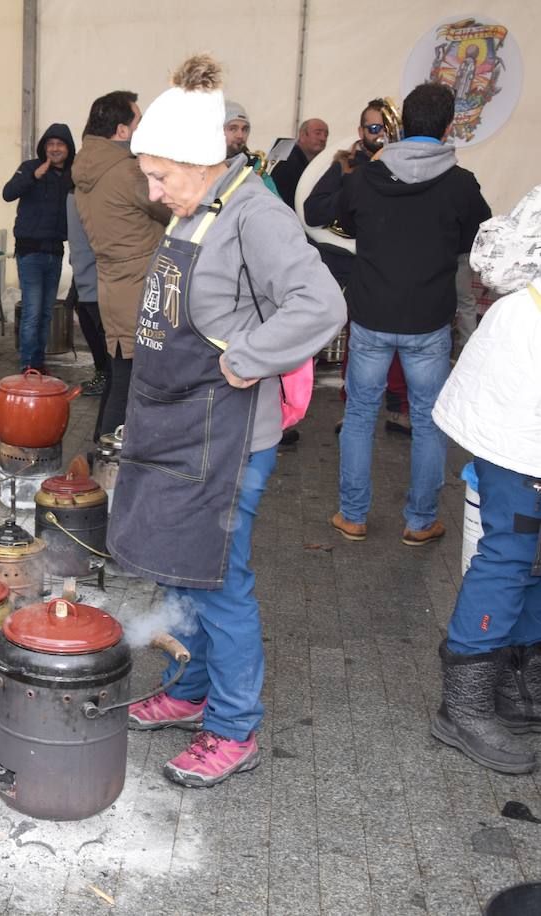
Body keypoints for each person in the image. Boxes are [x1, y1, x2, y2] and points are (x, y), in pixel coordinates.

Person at [115, 54, 345, 787]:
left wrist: (251, 355)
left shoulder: (256, 214)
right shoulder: (196, 209)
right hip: (177, 423)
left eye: (160, 177)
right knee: (180, 569)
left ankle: (234, 727)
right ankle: (190, 691)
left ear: (201, 161)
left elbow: (322, 304)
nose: (153, 192)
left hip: (229, 436)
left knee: (217, 581)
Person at [331, 81, 490, 547]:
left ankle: (353, 516)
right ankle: (420, 522)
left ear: (401, 125)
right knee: (426, 420)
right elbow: (477, 240)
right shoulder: (461, 184)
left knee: (360, 414)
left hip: (371, 313)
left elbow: (345, 223)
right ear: (448, 126)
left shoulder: (363, 178)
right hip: (428, 318)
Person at [430, 185, 541, 776]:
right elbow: (500, 261)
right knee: (511, 550)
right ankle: (463, 705)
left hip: (521, 392)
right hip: (520, 407)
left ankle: (517, 683)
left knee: (533, 553)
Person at [304, 99, 415, 435]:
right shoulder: (346, 164)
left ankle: (399, 408)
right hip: (349, 264)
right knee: (356, 341)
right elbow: (313, 210)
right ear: (360, 130)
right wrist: (355, 189)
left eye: (386, 128)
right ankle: (350, 408)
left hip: (394, 263)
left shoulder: (409, 167)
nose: (380, 135)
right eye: (373, 128)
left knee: (402, 339)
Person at [73, 91, 170, 441]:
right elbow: (170, 208)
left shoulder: (88, 168)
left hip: (113, 284)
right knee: (131, 382)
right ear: (122, 130)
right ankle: (111, 460)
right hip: (141, 286)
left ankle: (102, 453)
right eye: (138, 121)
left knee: (119, 376)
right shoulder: (127, 171)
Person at [2, 124, 75, 373]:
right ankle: (27, 365)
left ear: (68, 148)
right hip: (30, 252)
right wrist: (34, 176)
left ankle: (38, 362)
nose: (54, 149)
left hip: (55, 252)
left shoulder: (72, 176)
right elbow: (7, 193)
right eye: (50, 144)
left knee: (45, 313)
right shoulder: (30, 167)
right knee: (32, 312)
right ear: (44, 148)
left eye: (60, 144)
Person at [64, 189, 107, 395]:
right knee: (88, 322)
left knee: (102, 331)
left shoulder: (98, 193)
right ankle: (103, 374)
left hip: (99, 276)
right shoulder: (75, 195)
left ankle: (108, 377)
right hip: (84, 273)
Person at [221, 100, 280, 196]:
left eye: (244, 129)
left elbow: (276, 199)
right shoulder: (204, 167)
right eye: (233, 129)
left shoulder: (255, 166)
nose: (240, 135)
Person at [270, 117, 328, 208]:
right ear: (302, 135)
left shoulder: (319, 165)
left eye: (326, 134)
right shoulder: (287, 163)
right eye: (318, 133)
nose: (323, 138)